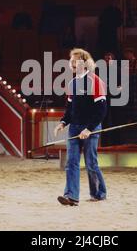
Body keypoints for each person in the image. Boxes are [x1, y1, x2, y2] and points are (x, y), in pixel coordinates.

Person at [54, 48, 107, 206]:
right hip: (74, 128)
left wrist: (89, 129)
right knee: (72, 162)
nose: (72, 63)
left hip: (91, 128)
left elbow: (101, 110)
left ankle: (98, 193)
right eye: (71, 60)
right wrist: (63, 123)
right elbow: (70, 109)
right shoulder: (72, 83)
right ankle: (71, 196)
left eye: (75, 60)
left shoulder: (95, 81)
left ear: (85, 63)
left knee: (91, 163)